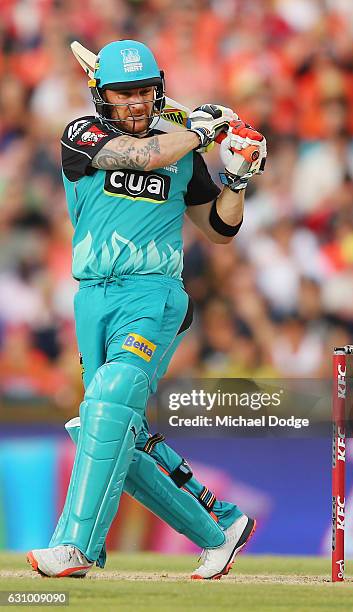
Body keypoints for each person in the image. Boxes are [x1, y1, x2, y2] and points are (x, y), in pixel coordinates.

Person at [27, 40, 266, 580]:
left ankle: (75, 547)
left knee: (109, 405)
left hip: (152, 296)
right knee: (105, 429)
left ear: (158, 92)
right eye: (123, 93)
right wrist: (201, 133)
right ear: (101, 96)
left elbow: (220, 229)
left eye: (144, 92)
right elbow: (143, 157)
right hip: (92, 297)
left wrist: (239, 177)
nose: (135, 103)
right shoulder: (83, 136)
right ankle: (219, 527)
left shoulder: (183, 152)